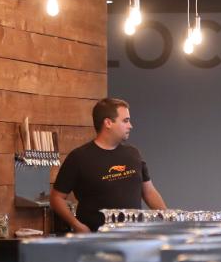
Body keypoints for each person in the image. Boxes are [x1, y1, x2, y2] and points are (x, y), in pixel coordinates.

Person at [51, 98, 167, 232]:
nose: (130, 126)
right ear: (108, 123)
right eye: (125, 120)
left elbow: (149, 192)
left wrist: (168, 219)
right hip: (97, 240)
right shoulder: (79, 158)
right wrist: (77, 225)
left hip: (133, 238)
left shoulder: (133, 154)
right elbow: (56, 198)